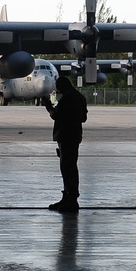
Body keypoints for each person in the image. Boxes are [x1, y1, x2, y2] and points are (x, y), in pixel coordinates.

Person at [42, 76, 88, 213]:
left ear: (63, 86)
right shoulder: (80, 97)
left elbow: (56, 115)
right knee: (70, 166)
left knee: (67, 168)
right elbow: (83, 118)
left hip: (66, 135)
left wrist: (48, 106)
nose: (58, 89)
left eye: (58, 86)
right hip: (74, 136)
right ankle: (68, 197)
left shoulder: (67, 98)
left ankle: (71, 199)